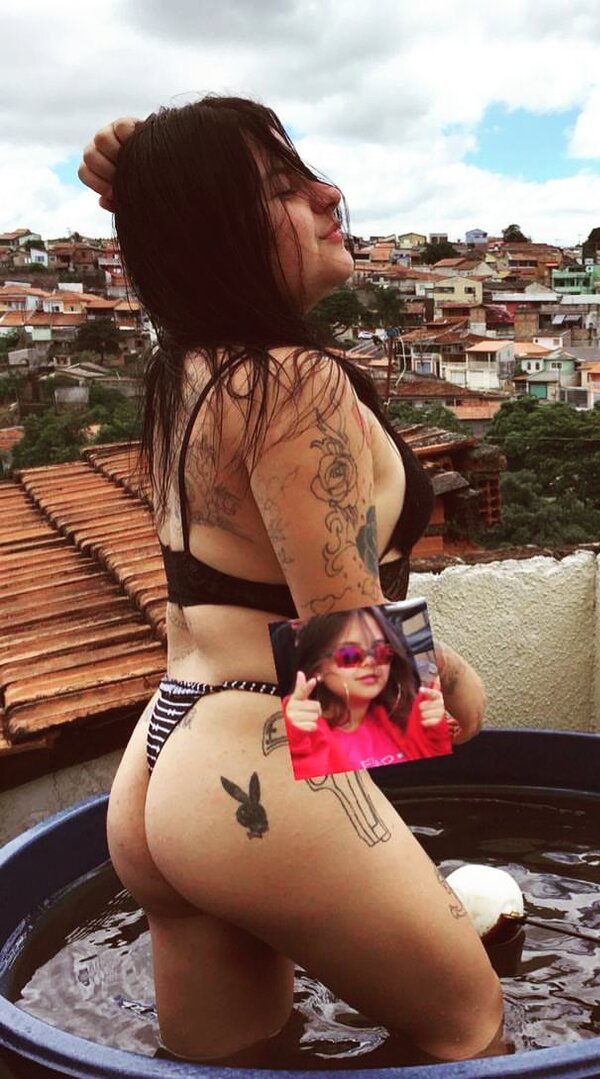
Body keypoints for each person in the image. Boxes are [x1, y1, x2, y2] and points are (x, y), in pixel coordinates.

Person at [83, 98, 503, 1064]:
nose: (329, 195)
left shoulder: (187, 373)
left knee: (240, 1061)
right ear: (218, 230)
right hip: (256, 766)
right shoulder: (292, 383)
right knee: (470, 1026)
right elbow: (347, 647)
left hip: (162, 765)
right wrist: (457, 686)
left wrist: (144, 169)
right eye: (283, 187)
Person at [283, 607, 452, 779]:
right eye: (349, 655)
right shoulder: (300, 733)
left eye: (381, 652)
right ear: (317, 668)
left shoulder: (404, 717)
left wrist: (434, 731)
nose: (370, 662)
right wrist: (295, 741)